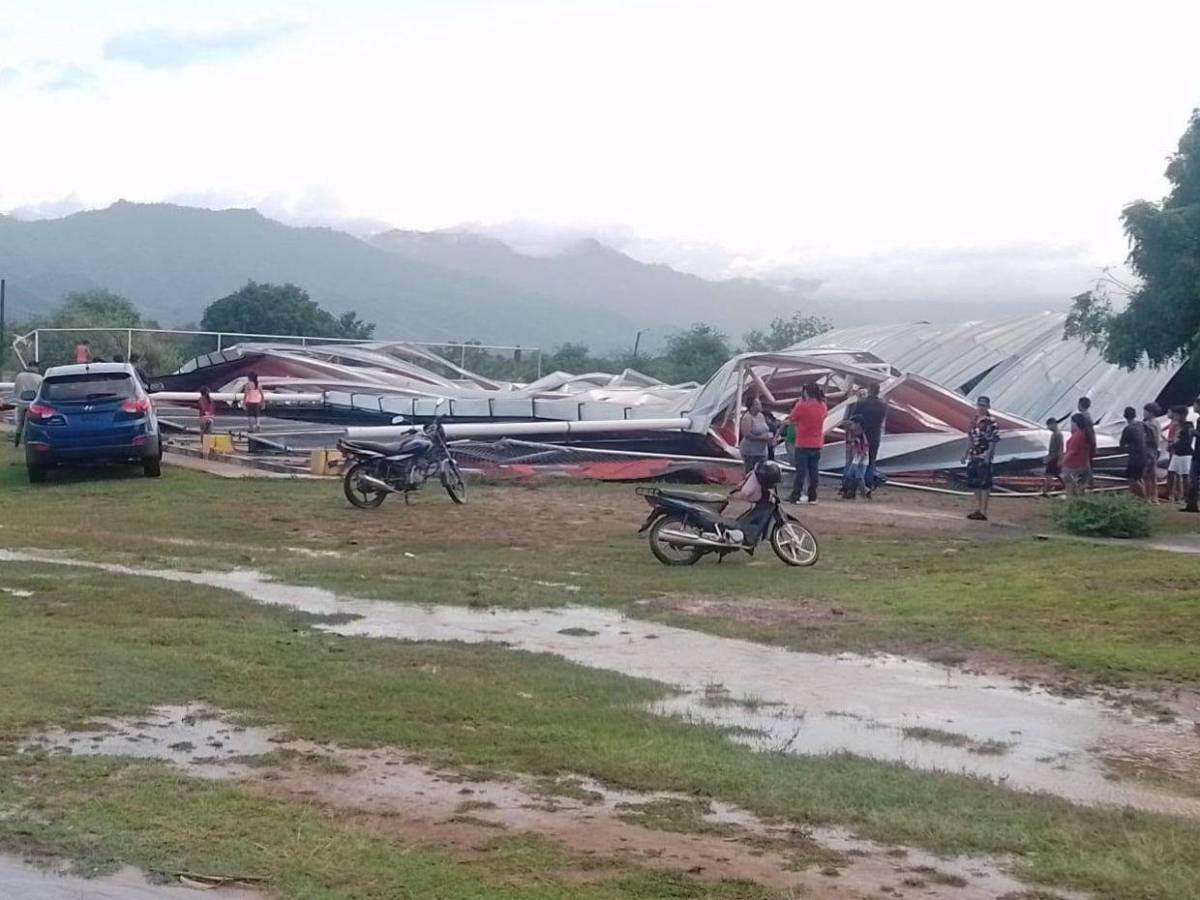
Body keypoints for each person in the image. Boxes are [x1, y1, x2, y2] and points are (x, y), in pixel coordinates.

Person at [787, 383, 827, 504]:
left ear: (806, 392)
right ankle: (812, 496)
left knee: (801, 472)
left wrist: (800, 402)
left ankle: (796, 495)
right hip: (817, 442)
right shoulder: (822, 405)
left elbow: (791, 417)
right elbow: (825, 415)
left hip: (803, 442)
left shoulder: (802, 406)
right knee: (814, 471)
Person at [963, 396, 1000, 520]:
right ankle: (980, 508)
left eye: (983, 406)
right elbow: (970, 438)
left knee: (984, 484)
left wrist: (989, 456)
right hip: (974, 455)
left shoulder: (991, 422)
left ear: (988, 407)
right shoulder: (974, 421)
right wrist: (965, 453)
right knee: (974, 483)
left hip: (984, 455)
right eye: (979, 405)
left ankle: (983, 510)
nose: (981, 408)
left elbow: (993, 440)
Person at [848, 383, 887, 489]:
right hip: (875, 434)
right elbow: (882, 419)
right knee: (871, 461)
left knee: (856, 460)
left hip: (862, 435)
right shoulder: (883, 405)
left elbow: (853, 418)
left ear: (869, 390)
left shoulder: (862, 403)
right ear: (878, 391)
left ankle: (852, 486)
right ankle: (868, 485)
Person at [11, 361, 43, 448]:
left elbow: (15, 390)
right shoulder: (39, 378)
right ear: (36, 367)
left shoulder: (19, 376)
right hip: (32, 404)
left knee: (19, 423)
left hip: (20, 403)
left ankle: (16, 443)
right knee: (32, 423)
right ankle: (29, 442)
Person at [1167, 405, 1193, 506]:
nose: (1175, 416)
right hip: (1177, 453)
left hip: (1185, 454)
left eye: (1177, 415)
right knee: (1171, 473)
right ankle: (1173, 496)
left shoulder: (1188, 426)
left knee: (1185, 476)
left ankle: (1186, 498)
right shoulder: (1178, 426)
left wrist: (1173, 444)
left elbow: (1186, 441)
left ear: (1182, 415)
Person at [1118, 406, 1147, 499]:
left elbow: (1122, 444)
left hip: (1134, 457)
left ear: (1125, 416)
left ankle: (1139, 497)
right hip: (1143, 455)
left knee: (1132, 479)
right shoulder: (1141, 425)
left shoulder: (1128, 428)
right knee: (1139, 478)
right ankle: (1140, 497)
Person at [738, 397, 772, 474]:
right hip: (750, 451)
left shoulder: (761, 416)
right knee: (751, 472)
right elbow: (747, 434)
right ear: (752, 406)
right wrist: (760, 438)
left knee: (762, 472)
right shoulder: (747, 417)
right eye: (758, 404)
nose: (760, 405)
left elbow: (766, 429)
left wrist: (770, 437)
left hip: (762, 451)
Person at [1061, 413, 1091, 496]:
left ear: (1075, 423)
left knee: (1070, 487)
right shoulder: (1084, 434)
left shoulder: (1077, 435)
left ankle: (1072, 502)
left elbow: (1071, 452)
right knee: (1080, 487)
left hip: (1072, 465)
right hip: (1082, 464)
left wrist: (1062, 462)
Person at [840, 417, 870, 499]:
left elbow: (865, 448)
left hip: (861, 459)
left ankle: (864, 492)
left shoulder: (861, 436)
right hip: (856, 458)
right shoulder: (854, 434)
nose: (851, 425)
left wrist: (861, 458)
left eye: (853, 423)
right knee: (852, 475)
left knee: (858, 477)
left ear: (858, 424)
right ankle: (864, 491)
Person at [1141, 403, 1162, 503]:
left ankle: (1148, 497)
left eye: (1145, 411)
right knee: (1152, 476)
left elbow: (1154, 438)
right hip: (1154, 450)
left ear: (1151, 413)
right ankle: (1155, 497)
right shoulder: (1156, 423)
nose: (1143, 413)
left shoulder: (1149, 424)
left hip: (1149, 450)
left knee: (1146, 475)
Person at [1077, 397, 1097, 488]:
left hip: (1086, 443)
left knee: (1086, 463)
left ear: (1080, 405)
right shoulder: (1088, 415)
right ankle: (1088, 481)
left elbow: (1086, 432)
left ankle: (1089, 482)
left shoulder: (1083, 417)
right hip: (1090, 442)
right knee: (1086, 463)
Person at [1042, 416, 1063, 495]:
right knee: (1057, 474)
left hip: (1055, 457)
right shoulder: (1054, 434)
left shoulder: (1058, 434)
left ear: (1053, 424)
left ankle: (1046, 490)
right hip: (1052, 457)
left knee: (1049, 474)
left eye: (1049, 425)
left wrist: (1060, 459)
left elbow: (1061, 447)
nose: (1048, 427)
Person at [1186, 397, 1200, 513]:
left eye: (1195, 405)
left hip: (1198, 454)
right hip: (1197, 452)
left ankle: (1192, 504)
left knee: (1193, 478)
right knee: (1193, 479)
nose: (1193, 407)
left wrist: (1195, 433)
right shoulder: (1198, 420)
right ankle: (1191, 505)